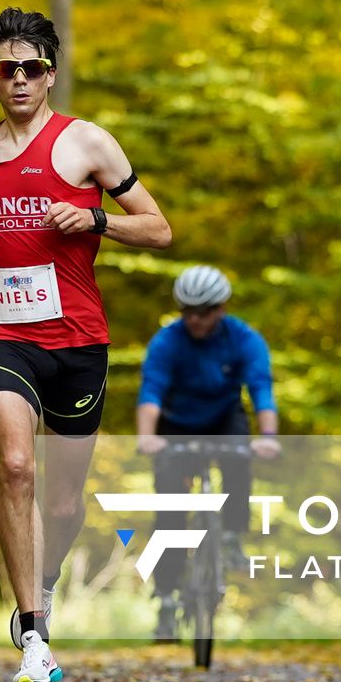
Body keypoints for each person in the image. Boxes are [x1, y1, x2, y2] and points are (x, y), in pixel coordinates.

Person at [0, 7, 171, 682]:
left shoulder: (88, 145)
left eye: (32, 67)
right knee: (16, 465)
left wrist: (95, 217)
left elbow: (159, 230)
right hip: (2, 333)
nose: (19, 79)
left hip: (77, 340)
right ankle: (33, 630)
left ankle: (45, 577)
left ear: (50, 74)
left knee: (66, 501)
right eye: (5, 68)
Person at [136, 265, 280, 641]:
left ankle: (232, 535)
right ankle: (166, 598)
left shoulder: (244, 339)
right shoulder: (168, 341)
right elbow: (151, 392)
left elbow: (261, 389)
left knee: (239, 462)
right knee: (170, 513)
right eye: (187, 311)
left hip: (224, 418)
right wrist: (146, 436)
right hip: (177, 424)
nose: (195, 320)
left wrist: (268, 436)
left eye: (204, 312)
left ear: (221, 308)